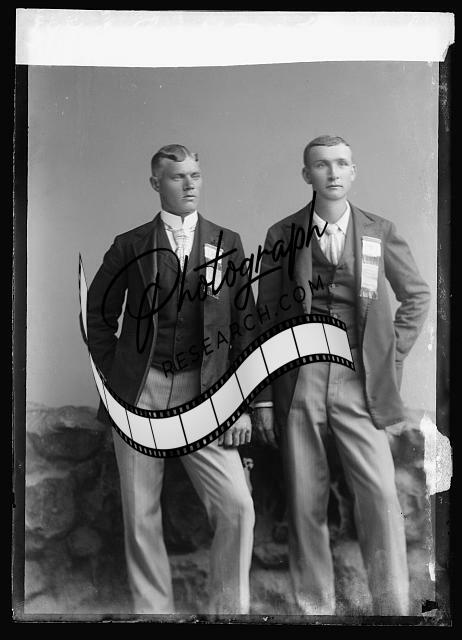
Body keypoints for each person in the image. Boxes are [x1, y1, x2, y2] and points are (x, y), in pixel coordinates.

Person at [253, 135, 431, 616]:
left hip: (359, 377)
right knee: (305, 500)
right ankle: (315, 613)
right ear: (306, 175)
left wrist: (388, 359)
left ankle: (392, 611)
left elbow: (417, 296)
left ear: (353, 172)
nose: (332, 172)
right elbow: (264, 317)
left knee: (380, 496)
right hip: (300, 376)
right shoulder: (282, 234)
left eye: (341, 163)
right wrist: (263, 398)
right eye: (321, 165)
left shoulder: (379, 230)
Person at [85, 144, 255, 615]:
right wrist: (117, 378)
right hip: (140, 394)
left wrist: (240, 403)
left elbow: (246, 327)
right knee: (140, 516)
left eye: (195, 174)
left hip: (206, 394)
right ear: (155, 183)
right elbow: (96, 317)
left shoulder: (228, 241)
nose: (190, 184)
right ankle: (154, 616)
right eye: (178, 177)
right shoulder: (129, 245)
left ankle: (228, 614)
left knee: (237, 507)